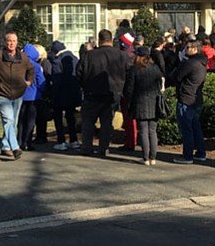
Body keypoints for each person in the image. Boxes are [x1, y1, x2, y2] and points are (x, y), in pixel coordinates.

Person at [0, 30, 34, 159]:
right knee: (8, 120)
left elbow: (31, 69)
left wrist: (28, 82)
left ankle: (5, 146)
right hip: (2, 92)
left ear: (17, 42)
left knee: (12, 122)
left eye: (14, 41)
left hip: (18, 93)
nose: (11, 44)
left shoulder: (22, 57)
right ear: (5, 42)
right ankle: (15, 147)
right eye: (9, 41)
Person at [77, 28, 129, 157]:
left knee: (88, 122)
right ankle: (103, 148)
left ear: (99, 41)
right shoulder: (122, 56)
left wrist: (85, 86)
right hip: (113, 93)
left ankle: (86, 147)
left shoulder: (89, 55)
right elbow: (129, 74)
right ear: (111, 40)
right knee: (107, 122)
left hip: (91, 93)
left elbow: (79, 74)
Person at [124, 45, 164, 166]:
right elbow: (159, 85)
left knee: (143, 131)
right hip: (154, 102)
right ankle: (153, 157)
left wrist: (129, 102)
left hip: (140, 102)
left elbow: (129, 89)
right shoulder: (155, 68)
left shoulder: (134, 69)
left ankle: (145, 157)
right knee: (153, 131)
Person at [169, 39, 207, 164]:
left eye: (189, 47)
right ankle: (200, 152)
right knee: (196, 127)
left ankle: (188, 155)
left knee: (187, 129)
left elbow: (176, 77)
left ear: (195, 49)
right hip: (197, 99)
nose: (186, 49)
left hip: (186, 98)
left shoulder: (190, 63)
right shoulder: (202, 63)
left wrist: (179, 65)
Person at [49, 40, 82, 150]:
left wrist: (53, 95)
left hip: (60, 94)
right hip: (73, 93)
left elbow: (56, 80)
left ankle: (61, 141)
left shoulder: (57, 62)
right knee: (70, 117)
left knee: (58, 117)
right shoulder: (75, 59)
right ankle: (74, 140)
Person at [17, 43, 46, 150]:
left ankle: (19, 141)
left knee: (20, 121)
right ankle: (27, 142)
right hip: (34, 97)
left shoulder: (18, 64)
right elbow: (41, 82)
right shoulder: (36, 66)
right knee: (30, 121)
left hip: (20, 96)